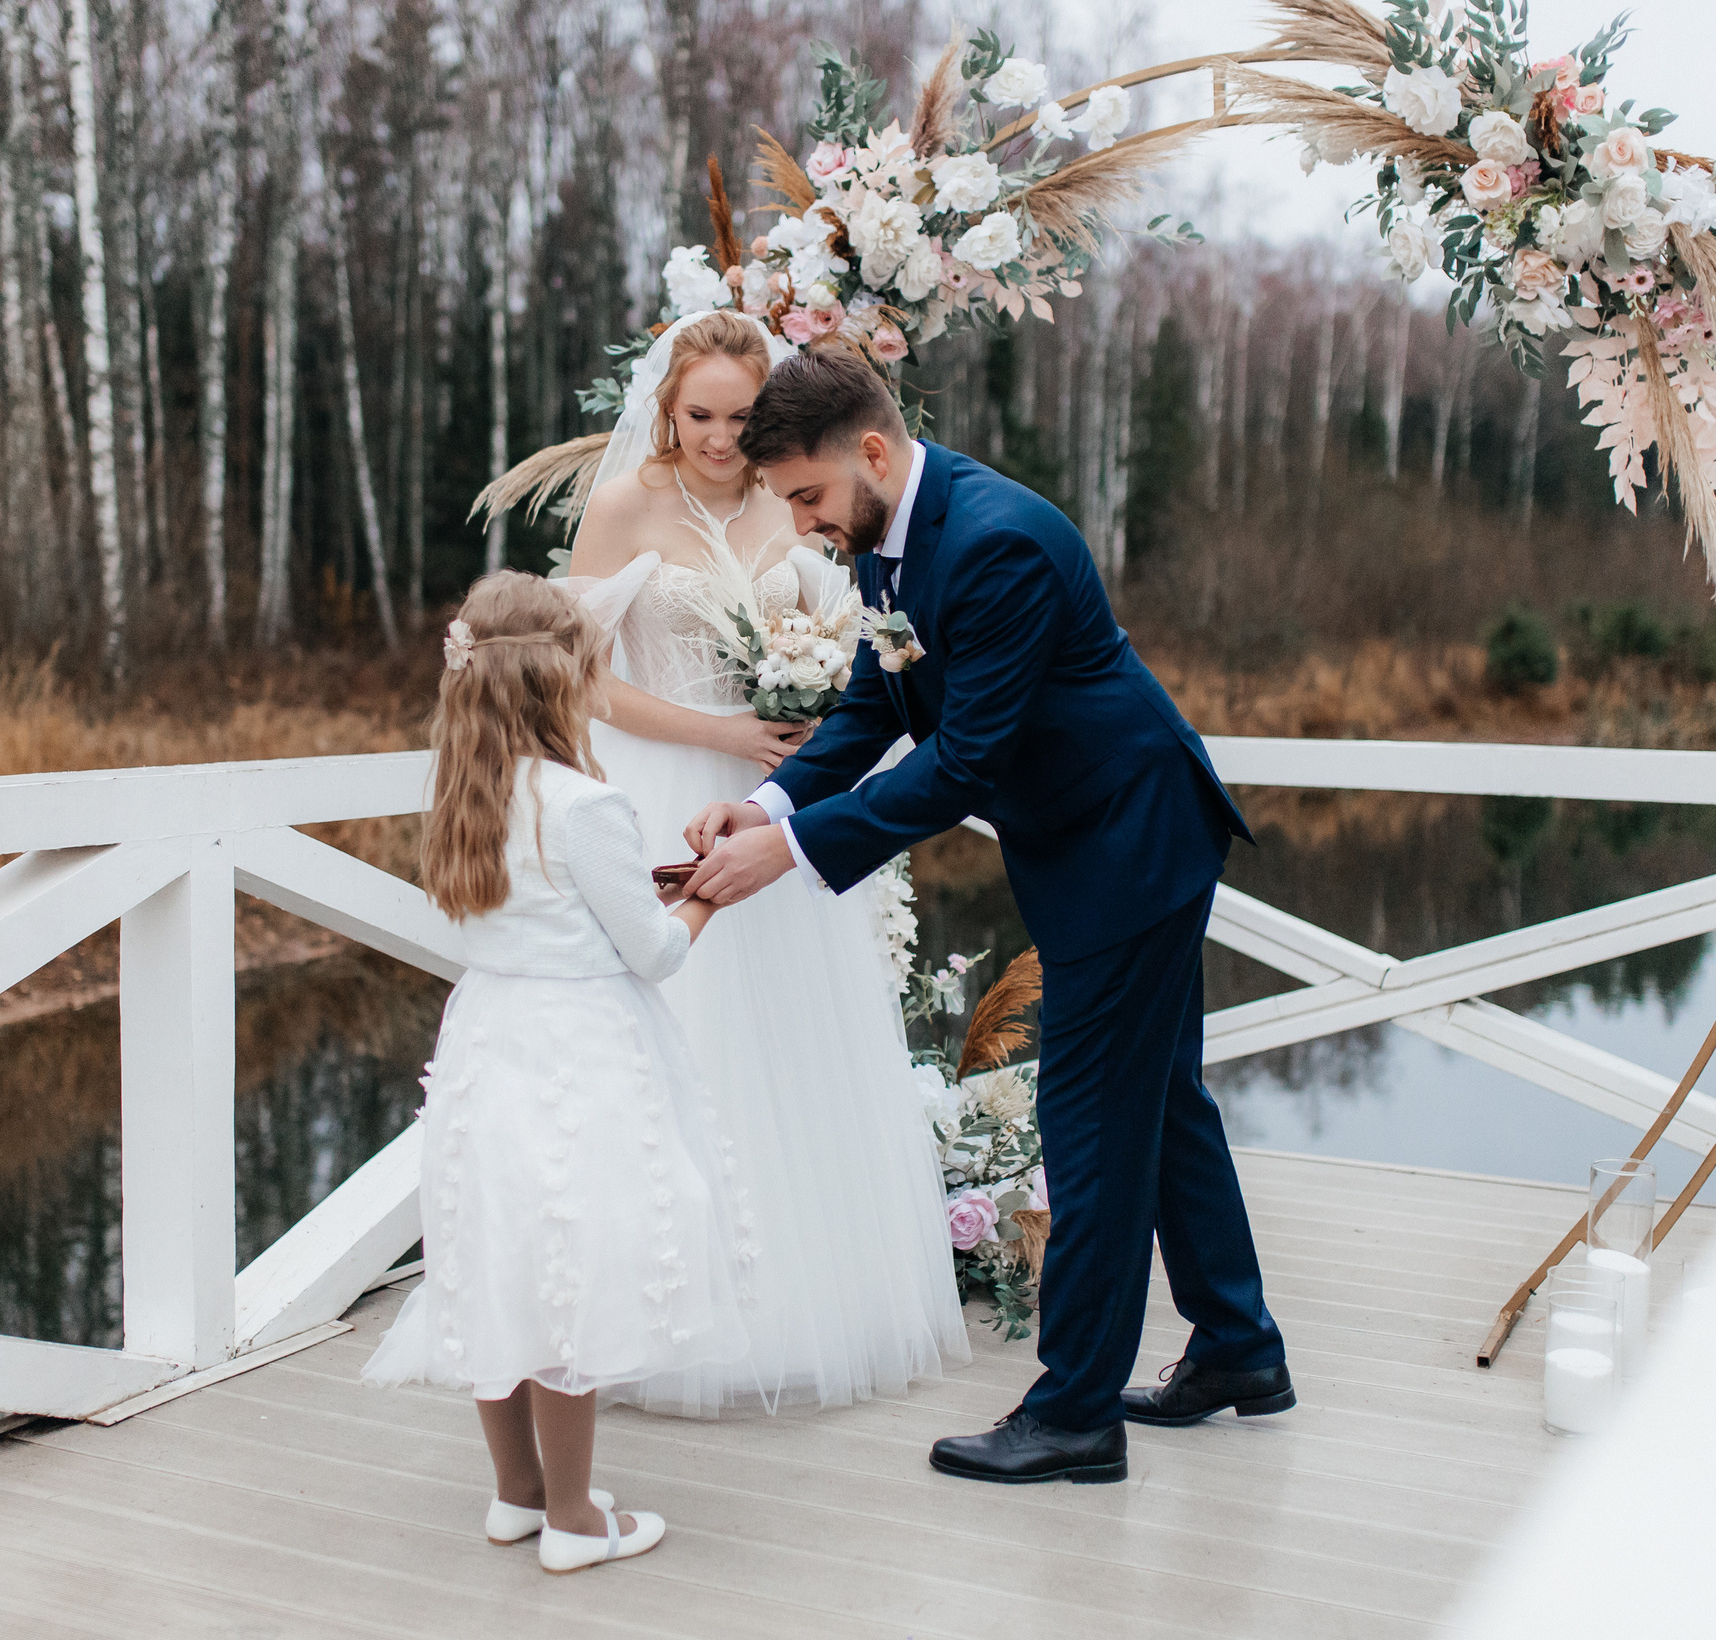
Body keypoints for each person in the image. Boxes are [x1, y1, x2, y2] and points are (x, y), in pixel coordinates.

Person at [684, 345, 1293, 1486]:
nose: (808, 525)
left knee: (1091, 1130)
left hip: (1130, 838)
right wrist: (765, 800)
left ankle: (1074, 1415)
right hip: (1095, 840)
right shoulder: (888, 541)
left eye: (809, 495)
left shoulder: (997, 539)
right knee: (1158, 1102)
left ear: (870, 451)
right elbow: (878, 704)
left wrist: (796, 851)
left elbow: (963, 759)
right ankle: (1239, 1349)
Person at [562, 310, 968, 1416]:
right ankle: (667, 1318)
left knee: (799, 1044)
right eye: (700, 414)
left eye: (742, 417)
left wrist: (806, 710)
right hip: (666, 792)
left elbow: (861, 652)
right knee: (686, 1047)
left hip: (787, 806)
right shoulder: (623, 506)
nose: (719, 437)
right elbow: (575, 679)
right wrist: (720, 738)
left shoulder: (796, 505)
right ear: (665, 405)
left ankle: (807, 1305)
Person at [361, 572, 753, 1574]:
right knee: (571, 1273)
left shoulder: (462, 788)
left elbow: (533, 910)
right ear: (571, 676)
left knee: (499, 1260)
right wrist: (706, 896)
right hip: (579, 1050)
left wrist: (643, 893)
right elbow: (655, 956)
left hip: (492, 1036)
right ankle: (576, 1521)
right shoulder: (586, 804)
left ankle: (517, 1495)